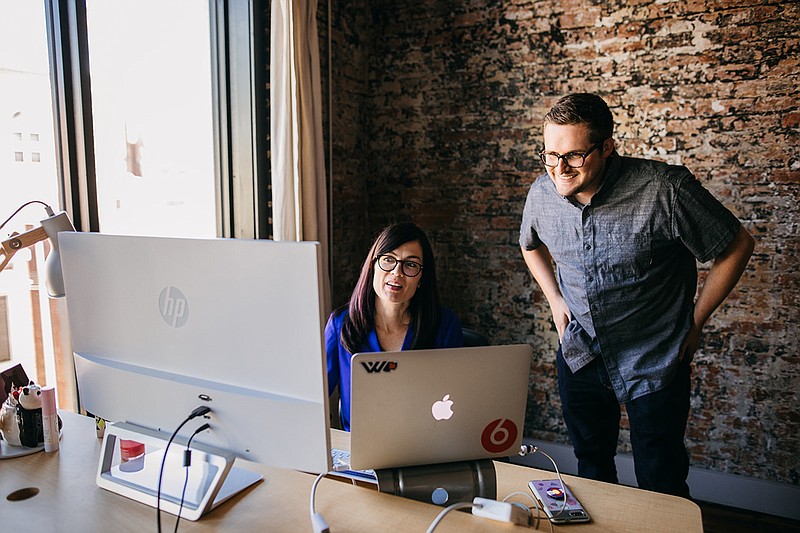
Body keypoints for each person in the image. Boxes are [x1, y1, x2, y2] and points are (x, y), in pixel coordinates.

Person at [519, 93, 754, 498]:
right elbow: (529, 245)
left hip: (656, 355)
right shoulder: (542, 193)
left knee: (660, 477)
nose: (559, 169)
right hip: (581, 352)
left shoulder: (666, 189)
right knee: (591, 470)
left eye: (574, 156)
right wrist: (556, 301)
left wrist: (695, 322)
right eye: (550, 155)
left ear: (607, 147)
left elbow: (737, 246)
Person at [326, 222, 463, 431]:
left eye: (410, 264)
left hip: (425, 447)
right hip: (361, 454)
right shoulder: (341, 324)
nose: (397, 272)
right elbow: (314, 398)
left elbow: (459, 401)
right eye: (388, 259)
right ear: (373, 265)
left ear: (421, 278)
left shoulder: (444, 324)